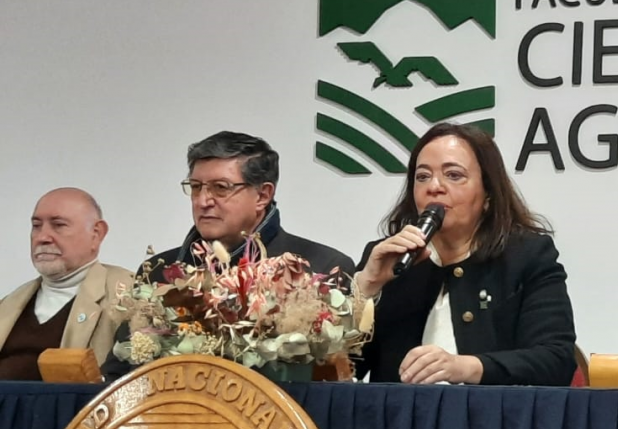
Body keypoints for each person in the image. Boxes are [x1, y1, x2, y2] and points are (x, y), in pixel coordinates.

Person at [100, 131, 354, 379]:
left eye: (220, 188)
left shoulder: (319, 267)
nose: (202, 201)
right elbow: (118, 373)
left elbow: (330, 378)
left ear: (263, 195)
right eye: (196, 187)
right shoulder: (157, 271)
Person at [353, 123, 576, 385]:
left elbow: (556, 360)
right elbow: (337, 371)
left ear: (488, 193)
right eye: (422, 177)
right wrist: (365, 288)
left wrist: (466, 367)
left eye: (454, 175)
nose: (434, 187)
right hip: (397, 421)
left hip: (494, 421)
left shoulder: (526, 256)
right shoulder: (392, 258)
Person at [0, 188, 133, 379]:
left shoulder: (129, 296)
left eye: (58, 225)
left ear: (96, 233)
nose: (42, 237)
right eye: (36, 226)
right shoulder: (8, 304)